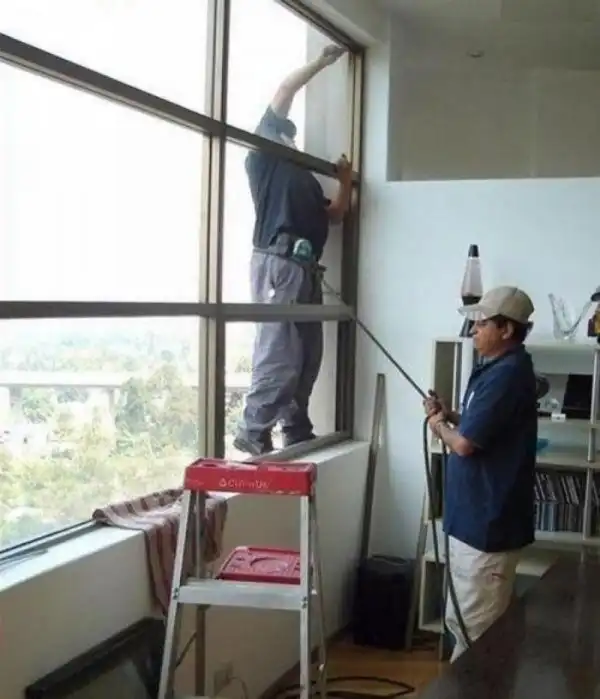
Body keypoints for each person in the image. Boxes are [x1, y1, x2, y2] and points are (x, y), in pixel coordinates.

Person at [234, 45, 352, 457]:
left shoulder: (304, 180)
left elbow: (335, 215)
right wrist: (320, 63)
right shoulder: (265, 157)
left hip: (305, 268)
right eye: (286, 133)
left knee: (308, 353)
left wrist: (345, 181)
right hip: (279, 262)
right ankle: (253, 427)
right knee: (279, 349)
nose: (291, 138)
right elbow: (285, 90)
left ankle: (295, 427)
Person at [423, 286, 538, 662]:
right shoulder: (495, 370)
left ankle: (469, 688)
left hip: (487, 528)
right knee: (463, 623)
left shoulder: (507, 376)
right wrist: (450, 416)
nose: (474, 330)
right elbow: (480, 427)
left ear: (507, 329)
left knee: (477, 634)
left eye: (482, 323)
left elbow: (464, 445)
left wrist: (438, 425)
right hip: (472, 521)